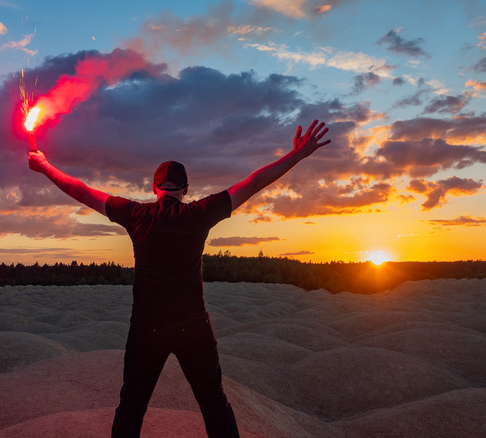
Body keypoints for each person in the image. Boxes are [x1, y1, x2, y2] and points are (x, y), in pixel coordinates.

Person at [28, 120, 330, 437]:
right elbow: (252, 184)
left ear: (154, 189)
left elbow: (81, 190)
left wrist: (46, 166)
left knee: (131, 405)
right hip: (193, 328)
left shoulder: (135, 214)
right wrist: (296, 155)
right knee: (214, 402)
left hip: (147, 329)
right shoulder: (199, 213)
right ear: (185, 189)